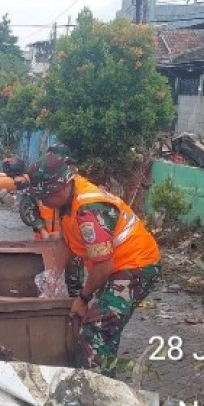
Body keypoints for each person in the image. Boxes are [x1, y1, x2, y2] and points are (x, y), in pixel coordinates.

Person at [27, 149, 161, 370]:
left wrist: (83, 298)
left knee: (95, 332)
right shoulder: (66, 202)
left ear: (61, 187)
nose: (43, 201)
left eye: (45, 196)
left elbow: (102, 266)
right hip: (117, 264)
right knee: (105, 328)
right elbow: (67, 244)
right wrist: (53, 278)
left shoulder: (88, 211)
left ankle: (97, 386)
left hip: (136, 266)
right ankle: (105, 372)